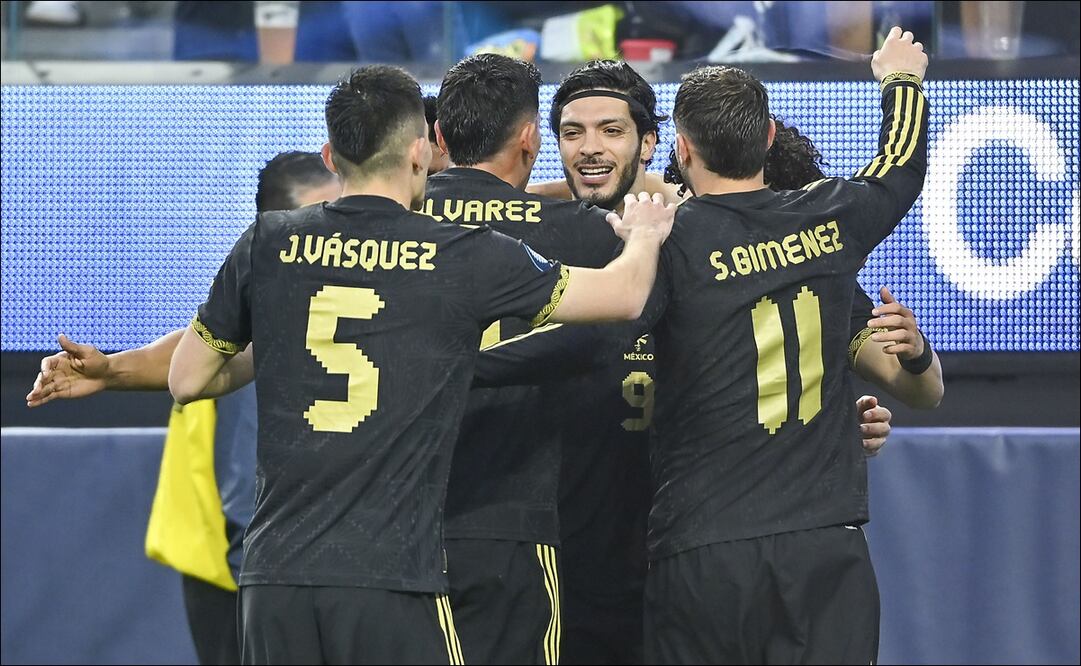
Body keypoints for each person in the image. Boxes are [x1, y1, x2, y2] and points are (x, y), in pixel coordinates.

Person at [166, 64, 676, 664]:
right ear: (419, 151)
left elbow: (187, 377)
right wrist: (644, 234)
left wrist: (118, 369)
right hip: (405, 560)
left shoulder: (268, 241)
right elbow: (623, 298)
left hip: (277, 566)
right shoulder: (452, 252)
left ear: (331, 155)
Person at [489, 57, 938, 665]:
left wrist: (460, 367)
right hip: (818, 541)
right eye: (574, 132)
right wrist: (902, 77)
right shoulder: (830, 222)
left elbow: (586, 341)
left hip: (699, 543)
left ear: (672, 146)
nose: (591, 148)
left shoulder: (669, 241)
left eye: (610, 131)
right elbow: (901, 165)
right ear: (770, 136)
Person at [24, 151, 341, 666]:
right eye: (321, 218)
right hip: (237, 573)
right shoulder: (265, 324)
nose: (339, 237)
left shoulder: (276, 313)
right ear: (276, 231)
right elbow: (246, 497)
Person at [426, 52, 622, 666]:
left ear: (438, 136)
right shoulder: (584, 232)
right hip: (510, 522)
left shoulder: (395, 222)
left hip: (396, 518)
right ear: (532, 139)